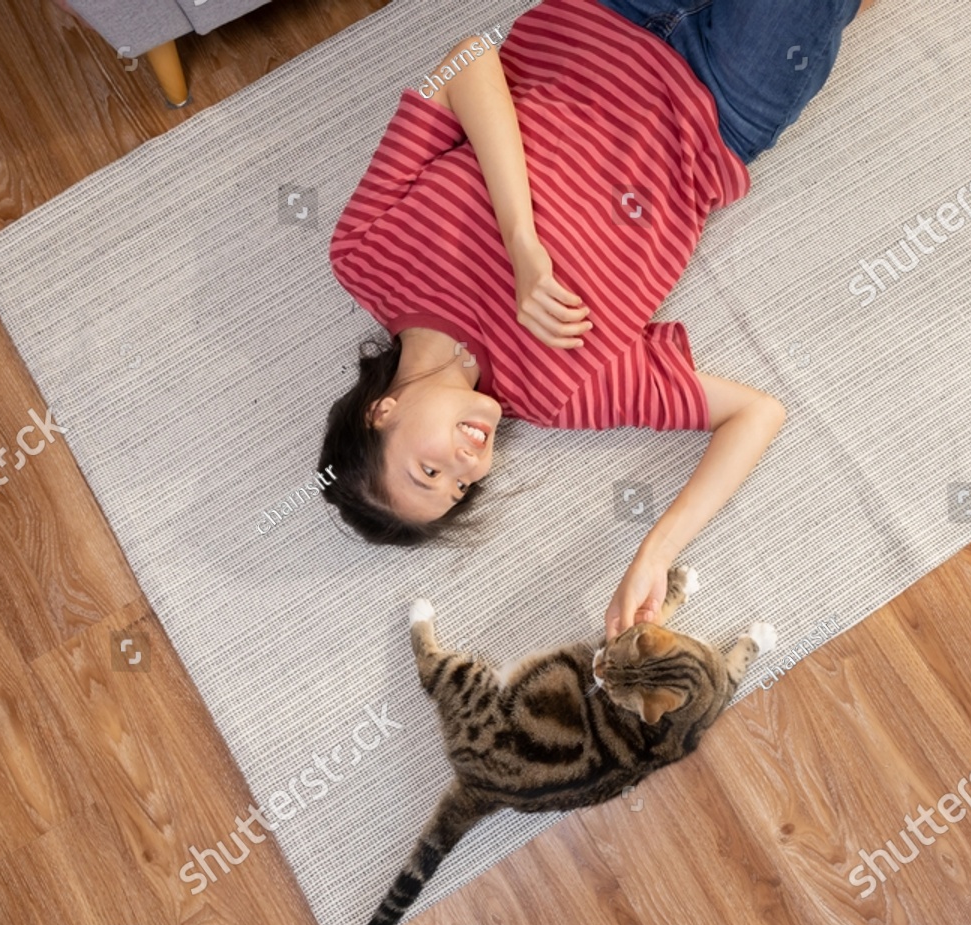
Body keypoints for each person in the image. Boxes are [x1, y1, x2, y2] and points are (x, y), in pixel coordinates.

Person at [324, 0, 874, 641]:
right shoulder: (562, 394)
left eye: (430, 470)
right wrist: (656, 553)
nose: (468, 467)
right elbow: (757, 414)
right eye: (460, 489)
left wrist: (522, 245)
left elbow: (470, 62)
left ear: (379, 414)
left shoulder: (365, 255)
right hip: (719, 104)